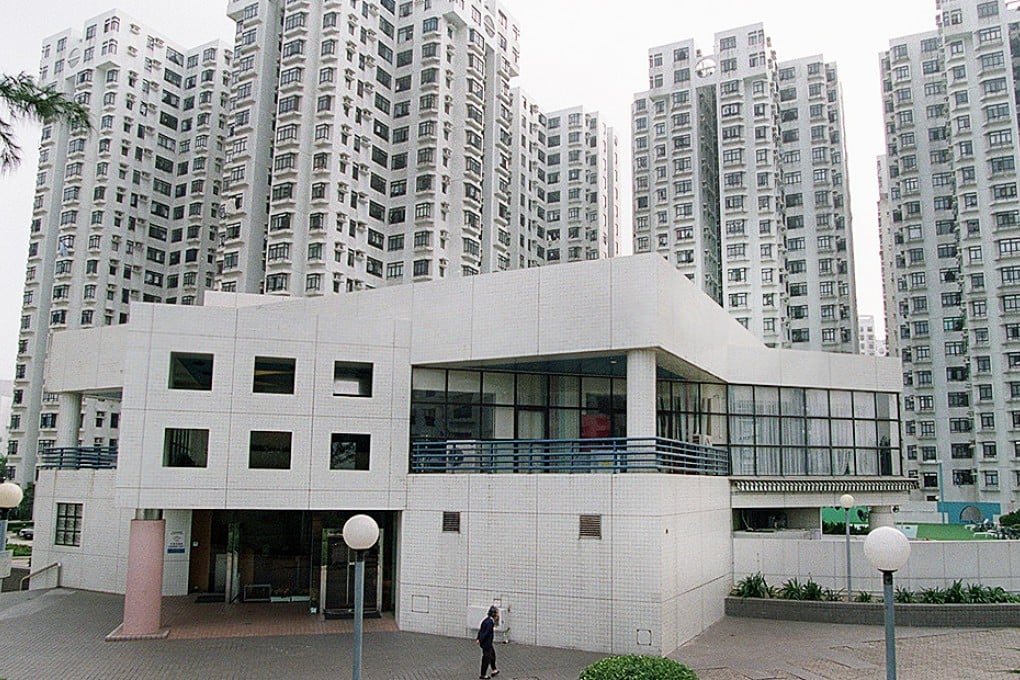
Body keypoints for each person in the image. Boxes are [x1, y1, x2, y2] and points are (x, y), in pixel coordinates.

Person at [475, 605, 500, 679]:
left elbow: (481, 630)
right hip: (486, 643)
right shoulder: (490, 623)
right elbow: (485, 633)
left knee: (492, 655)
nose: (498, 615)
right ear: (494, 615)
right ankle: (483, 674)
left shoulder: (487, 620)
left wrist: (478, 638)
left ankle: (494, 669)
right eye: (497, 614)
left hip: (487, 643)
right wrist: (480, 640)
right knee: (486, 658)